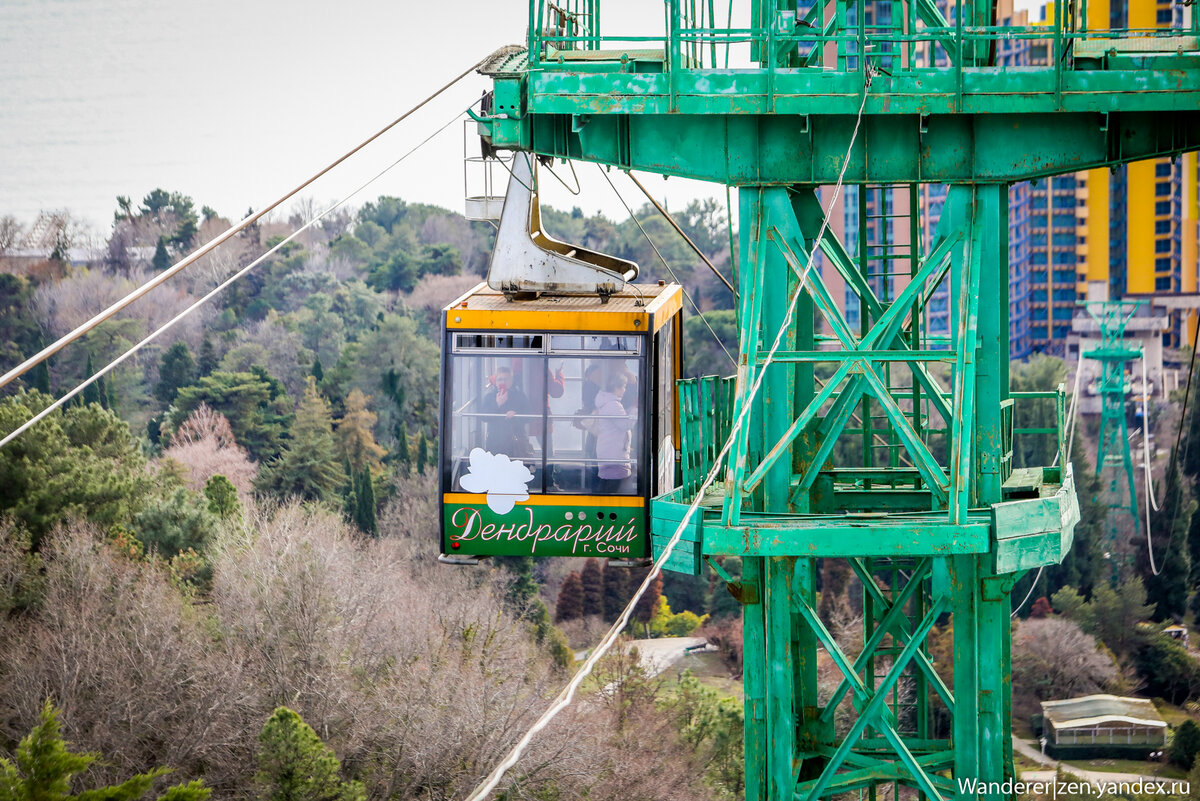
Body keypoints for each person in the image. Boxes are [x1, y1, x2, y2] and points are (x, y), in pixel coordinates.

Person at [589, 372, 635, 493]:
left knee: (608, 486)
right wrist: (635, 408)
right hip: (614, 456)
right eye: (624, 386)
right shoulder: (612, 405)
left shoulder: (610, 403)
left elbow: (621, 418)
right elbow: (625, 424)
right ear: (616, 387)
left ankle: (601, 509)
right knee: (614, 489)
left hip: (610, 453)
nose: (625, 390)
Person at [481, 365, 532, 456]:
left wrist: (516, 415)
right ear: (496, 382)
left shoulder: (519, 395)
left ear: (511, 381)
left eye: (506, 379)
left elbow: (529, 416)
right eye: (500, 379)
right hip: (495, 442)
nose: (503, 382)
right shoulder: (489, 396)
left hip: (516, 442)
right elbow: (484, 417)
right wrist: (497, 404)